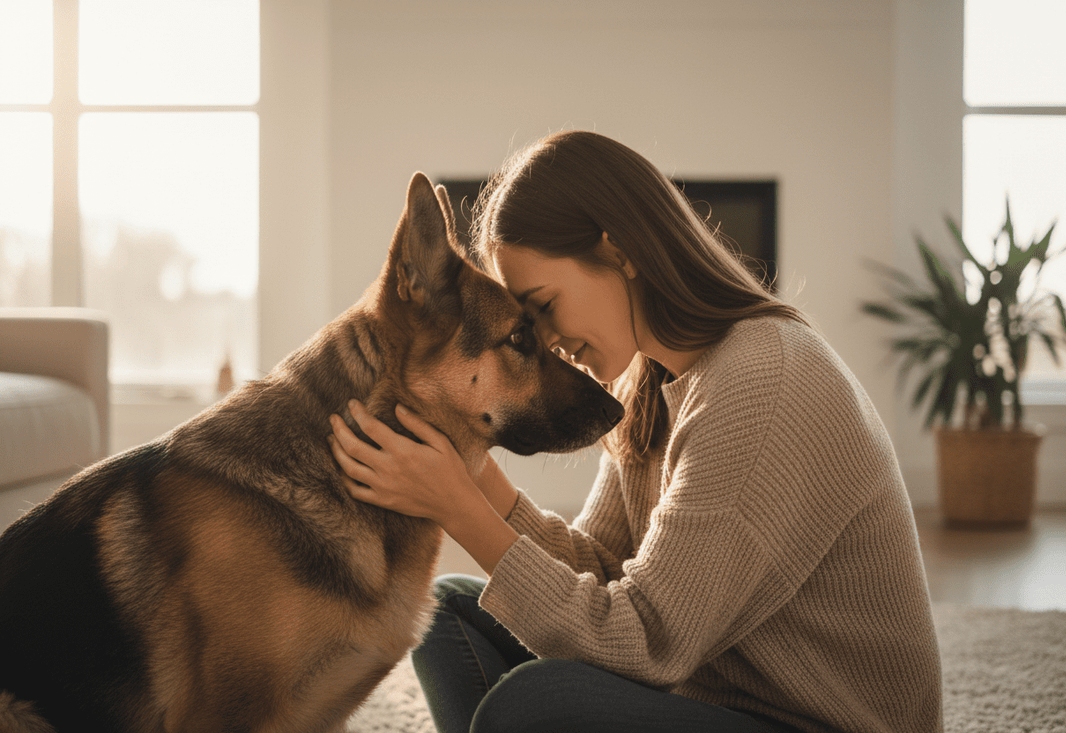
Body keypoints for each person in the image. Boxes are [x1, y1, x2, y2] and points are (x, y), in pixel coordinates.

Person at [328, 131, 943, 733]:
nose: (545, 342)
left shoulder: (763, 380)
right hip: (711, 698)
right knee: (448, 613)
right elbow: (603, 570)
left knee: (532, 703)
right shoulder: (648, 381)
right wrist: (475, 475)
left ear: (619, 251)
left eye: (544, 306)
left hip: (809, 720)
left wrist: (459, 509)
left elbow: (646, 644)